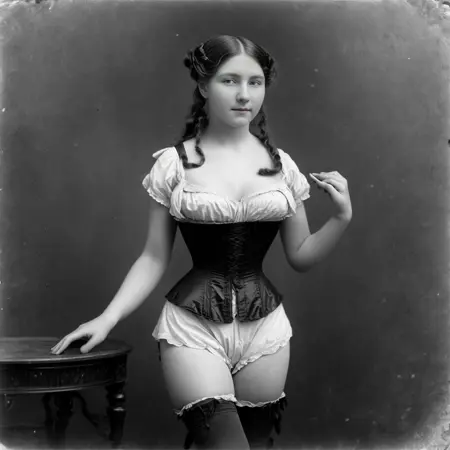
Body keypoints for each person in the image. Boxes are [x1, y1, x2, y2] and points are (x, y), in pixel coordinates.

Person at [51, 35, 353, 449]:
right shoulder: (174, 163)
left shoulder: (282, 166)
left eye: (255, 82)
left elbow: (300, 255)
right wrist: (107, 319)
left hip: (266, 331)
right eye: (230, 81)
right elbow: (153, 257)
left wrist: (340, 217)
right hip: (193, 328)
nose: (245, 95)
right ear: (203, 85)